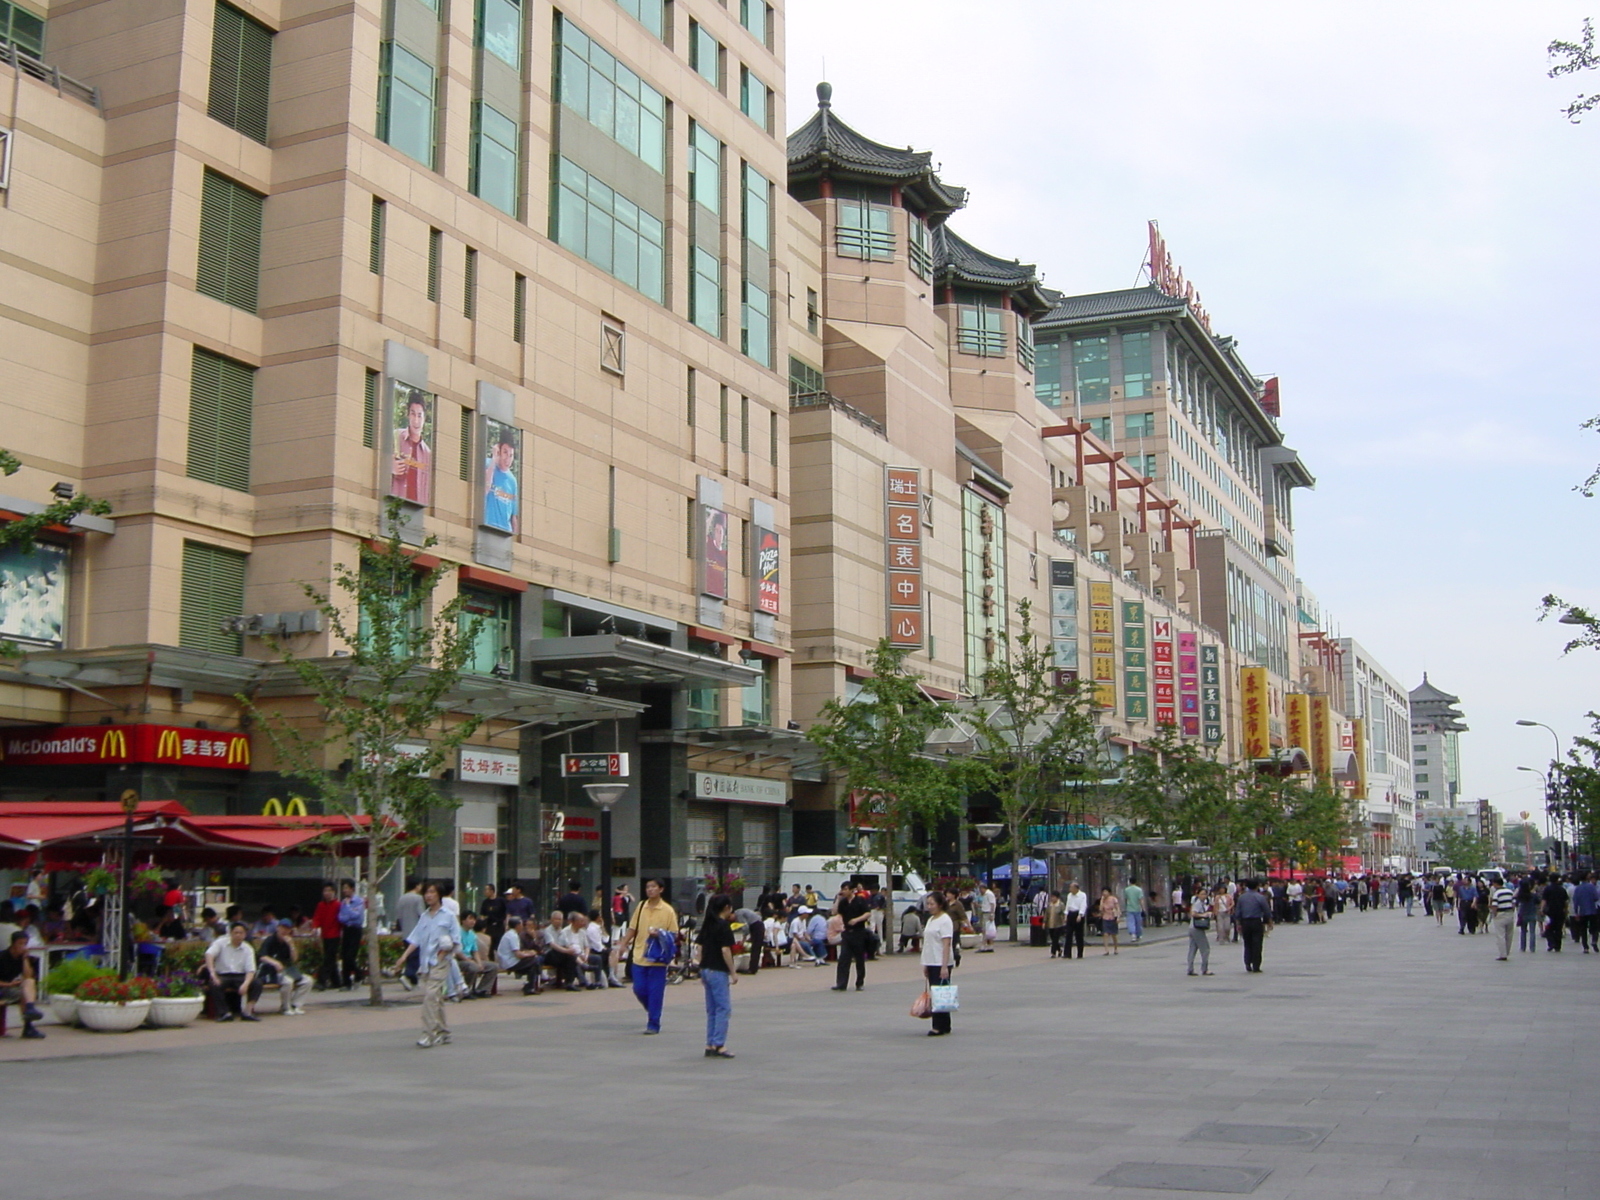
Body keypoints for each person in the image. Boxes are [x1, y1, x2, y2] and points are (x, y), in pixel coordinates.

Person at [394, 882, 461, 1048]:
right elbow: (415, 938)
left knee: (430, 995)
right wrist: (403, 957)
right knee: (436, 998)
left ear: (439, 895)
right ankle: (443, 1031)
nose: (428, 895)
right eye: (426, 893)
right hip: (425, 963)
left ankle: (428, 1033)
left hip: (440, 962)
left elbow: (456, 940)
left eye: (432, 892)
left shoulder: (448, 915)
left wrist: (444, 952)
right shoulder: (424, 916)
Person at [619, 878, 677, 1034]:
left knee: (655, 992)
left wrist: (659, 934)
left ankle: (653, 1023)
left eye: (653, 887)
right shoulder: (641, 906)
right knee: (639, 989)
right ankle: (651, 1008)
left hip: (657, 958)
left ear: (661, 889)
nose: (650, 889)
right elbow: (633, 927)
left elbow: (673, 934)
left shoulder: (668, 910)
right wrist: (623, 944)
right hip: (639, 954)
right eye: (647, 887)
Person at [698, 893, 738, 1058]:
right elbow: (725, 950)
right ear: (726, 908)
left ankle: (710, 1043)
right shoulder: (723, 926)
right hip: (718, 970)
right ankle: (719, 1044)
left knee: (712, 1009)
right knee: (723, 1008)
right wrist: (733, 971)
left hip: (706, 968)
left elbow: (699, 947)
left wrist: (700, 966)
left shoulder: (707, 924)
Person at [205, 923, 262, 1022]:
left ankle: (247, 1011)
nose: (238, 935)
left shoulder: (248, 948)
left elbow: (251, 970)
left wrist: (245, 984)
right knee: (214, 984)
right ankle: (224, 1013)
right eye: (236, 932)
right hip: (223, 974)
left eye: (241, 933)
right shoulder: (220, 943)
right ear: (231, 933)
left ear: (245, 935)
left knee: (257, 983)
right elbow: (209, 954)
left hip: (240, 976)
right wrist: (213, 974)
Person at [258, 920, 312, 1015]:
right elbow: (262, 956)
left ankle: (296, 1005)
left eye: (287, 928)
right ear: (278, 928)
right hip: (271, 971)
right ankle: (285, 1007)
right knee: (288, 982)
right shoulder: (270, 940)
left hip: (288, 970)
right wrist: (275, 963)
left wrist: (291, 945)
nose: (284, 931)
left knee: (308, 980)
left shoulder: (288, 941)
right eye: (282, 928)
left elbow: (294, 959)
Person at [921, 890, 955, 1038]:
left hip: (940, 961)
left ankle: (938, 1026)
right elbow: (928, 943)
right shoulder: (931, 920)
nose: (929, 906)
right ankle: (945, 1024)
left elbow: (946, 944)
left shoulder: (945, 920)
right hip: (930, 960)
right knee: (938, 993)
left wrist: (944, 966)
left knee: (939, 994)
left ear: (940, 904)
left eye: (932, 904)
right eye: (928, 904)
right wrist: (925, 963)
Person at [0, 930, 45, 1038]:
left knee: (28, 983)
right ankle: (29, 1020)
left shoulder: (21, 958)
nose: (23, 947)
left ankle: (29, 1016)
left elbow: (28, 976)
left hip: (7, 989)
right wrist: (9, 985)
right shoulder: (2, 957)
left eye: (25, 944)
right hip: (3, 987)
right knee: (22, 991)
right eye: (20, 943)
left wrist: (25, 959)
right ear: (13, 944)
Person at [390, 392, 432, 504]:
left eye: (420, 415)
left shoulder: (428, 454)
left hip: (417, 512)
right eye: (413, 414)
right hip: (395, 507)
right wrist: (389, 467)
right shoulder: (395, 437)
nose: (416, 420)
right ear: (408, 415)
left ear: (424, 418)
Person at [830, 881, 872, 991]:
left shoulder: (860, 900)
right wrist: (838, 899)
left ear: (852, 890)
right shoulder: (843, 902)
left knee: (859, 958)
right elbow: (834, 912)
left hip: (859, 932)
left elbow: (867, 913)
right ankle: (841, 983)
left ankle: (859, 982)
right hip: (847, 933)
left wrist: (856, 920)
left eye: (846, 889)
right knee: (844, 958)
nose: (844, 891)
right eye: (842, 889)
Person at [482, 431, 520, 534]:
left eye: (511, 455)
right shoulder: (488, 464)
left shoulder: (512, 481)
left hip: (505, 531)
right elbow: (485, 489)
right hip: (488, 527)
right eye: (505, 452)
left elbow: (514, 516)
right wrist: (494, 460)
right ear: (499, 450)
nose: (508, 459)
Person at [457, 912, 498, 997]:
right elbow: (457, 952)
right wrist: (470, 961)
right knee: (472, 967)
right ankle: (465, 990)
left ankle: (482, 990)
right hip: (460, 960)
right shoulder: (457, 932)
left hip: (470, 959)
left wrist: (479, 962)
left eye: (474, 919)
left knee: (493, 966)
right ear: (463, 920)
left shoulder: (472, 934)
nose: (473, 921)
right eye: (470, 919)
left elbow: (475, 951)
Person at [1236, 879, 1273, 973]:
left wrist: (1238, 923)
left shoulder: (1242, 897)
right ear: (1257, 886)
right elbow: (1266, 910)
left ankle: (1247, 962)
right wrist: (1269, 921)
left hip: (1245, 922)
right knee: (1257, 944)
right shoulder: (1260, 897)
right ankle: (1256, 965)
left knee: (1247, 943)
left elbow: (1238, 912)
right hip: (1256, 921)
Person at [311, 885, 343, 991]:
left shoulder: (338, 905)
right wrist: (315, 927)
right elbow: (317, 918)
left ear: (334, 892)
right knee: (331, 959)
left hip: (335, 935)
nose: (327, 893)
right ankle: (336, 981)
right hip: (325, 935)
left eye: (329, 891)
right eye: (325, 890)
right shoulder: (321, 905)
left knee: (328, 959)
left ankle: (322, 981)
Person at [337, 880, 365, 989]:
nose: (345, 891)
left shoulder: (359, 901)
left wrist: (348, 908)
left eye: (347, 888)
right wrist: (349, 913)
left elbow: (357, 916)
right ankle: (346, 982)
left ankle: (359, 974)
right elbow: (341, 917)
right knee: (344, 955)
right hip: (346, 929)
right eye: (343, 888)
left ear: (352, 889)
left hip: (355, 929)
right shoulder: (343, 902)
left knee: (350, 956)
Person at [1187, 888, 1214, 976]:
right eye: (1202, 894)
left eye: (1205, 894)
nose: (1203, 896)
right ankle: (1204, 969)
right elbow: (1193, 913)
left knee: (1193, 949)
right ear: (1197, 894)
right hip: (1196, 928)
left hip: (1192, 927)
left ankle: (1190, 969)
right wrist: (1204, 915)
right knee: (1205, 949)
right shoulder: (1198, 903)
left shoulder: (1200, 903)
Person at [1489, 879, 1517, 961]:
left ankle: (1503, 954)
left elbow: (1494, 905)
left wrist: (1494, 914)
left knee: (1500, 935)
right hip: (1509, 914)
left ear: (1495, 884)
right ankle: (1507, 951)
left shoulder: (1496, 893)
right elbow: (1513, 903)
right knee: (1509, 935)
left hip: (1500, 914)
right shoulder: (1510, 891)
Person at [1541, 874, 1570, 952]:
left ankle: (1551, 943)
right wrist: (1566, 910)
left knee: (1549, 928)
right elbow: (1566, 901)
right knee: (1558, 928)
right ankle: (1558, 945)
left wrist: (1542, 909)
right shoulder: (1562, 889)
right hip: (1560, 911)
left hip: (1550, 911)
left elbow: (1544, 900)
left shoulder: (1547, 889)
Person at [734, 905, 765, 974]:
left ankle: (752, 969)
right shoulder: (740, 911)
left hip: (756, 926)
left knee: (755, 948)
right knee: (756, 947)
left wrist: (743, 940)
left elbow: (745, 927)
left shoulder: (738, 914)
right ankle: (753, 967)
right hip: (757, 924)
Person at [1572, 872, 1599, 953]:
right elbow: (1596, 897)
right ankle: (1594, 940)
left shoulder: (1578, 888)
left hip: (1582, 911)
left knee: (1583, 929)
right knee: (1595, 928)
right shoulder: (1591, 887)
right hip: (1592, 910)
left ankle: (1585, 947)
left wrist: (1576, 912)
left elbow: (1575, 901)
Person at [1063, 882, 1088, 959]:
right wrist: (1066, 915)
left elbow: (1083, 905)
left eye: (1071, 887)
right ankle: (1067, 953)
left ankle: (1080, 953)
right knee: (1068, 934)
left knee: (1079, 935)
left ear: (1076, 888)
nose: (1070, 889)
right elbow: (1068, 905)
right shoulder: (1069, 895)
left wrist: (1080, 915)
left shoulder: (1082, 895)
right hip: (1070, 914)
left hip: (1078, 914)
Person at [478, 882, 506, 950]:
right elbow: (482, 915)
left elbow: (506, 913)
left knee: (498, 945)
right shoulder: (485, 902)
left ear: (492, 891)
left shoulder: (501, 901)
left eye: (486, 890)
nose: (485, 892)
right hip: (489, 926)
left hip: (499, 926)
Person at [1099, 888, 1122, 955]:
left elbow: (1117, 908)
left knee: (1114, 934)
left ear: (1109, 892)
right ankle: (1106, 949)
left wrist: (1118, 917)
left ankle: (1116, 948)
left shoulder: (1113, 899)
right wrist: (1102, 901)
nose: (1104, 893)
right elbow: (1100, 909)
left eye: (1106, 892)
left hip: (1113, 917)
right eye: (1103, 892)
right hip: (1105, 917)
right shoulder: (1102, 900)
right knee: (1105, 934)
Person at [1122, 879, 1145, 943]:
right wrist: (1143, 908)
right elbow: (1141, 900)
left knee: (1131, 922)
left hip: (1129, 908)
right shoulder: (1139, 890)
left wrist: (1126, 906)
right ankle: (1139, 934)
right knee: (1138, 922)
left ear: (1129, 882)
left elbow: (1126, 899)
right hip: (1137, 908)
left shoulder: (1126, 890)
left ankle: (1133, 934)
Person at [1044, 890, 1066, 958]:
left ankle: (1053, 952)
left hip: (1059, 924)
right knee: (1053, 939)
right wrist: (1044, 922)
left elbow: (1064, 913)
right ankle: (1059, 950)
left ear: (1057, 898)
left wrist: (1064, 920)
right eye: (1051, 897)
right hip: (1050, 924)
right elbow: (1046, 914)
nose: (1052, 899)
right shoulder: (1049, 905)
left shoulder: (1061, 905)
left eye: (1053, 897)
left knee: (1055, 938)